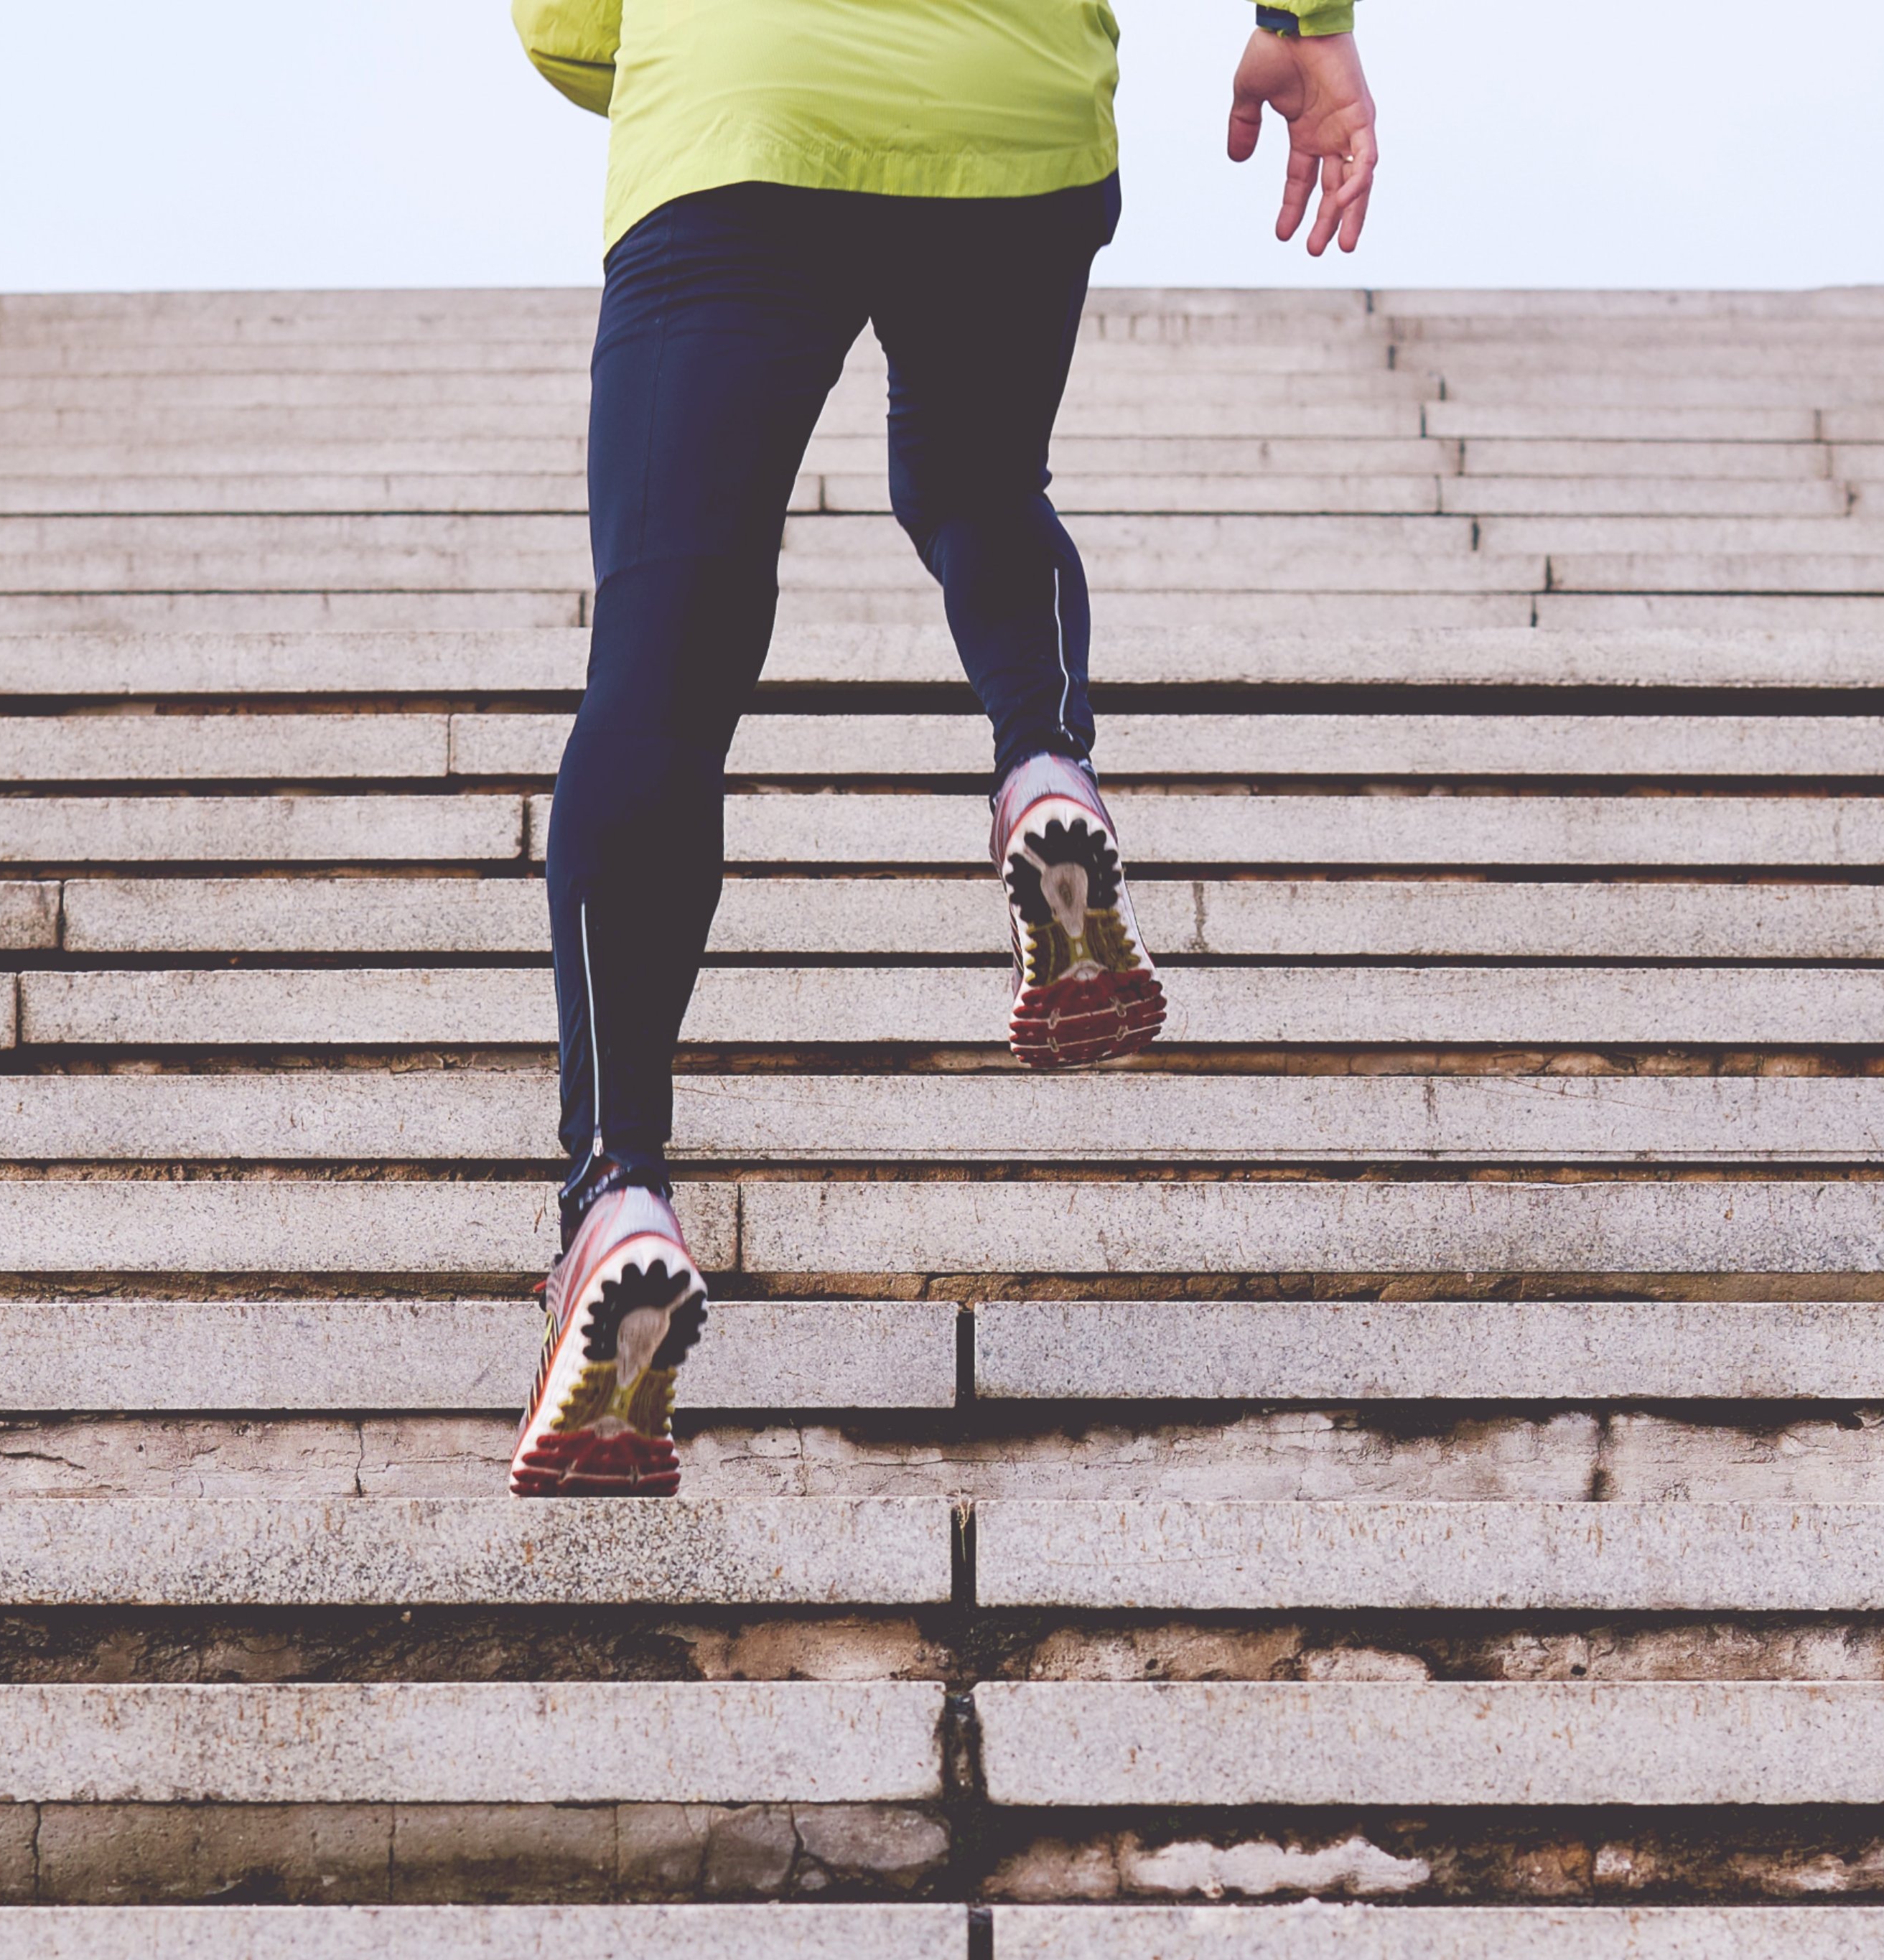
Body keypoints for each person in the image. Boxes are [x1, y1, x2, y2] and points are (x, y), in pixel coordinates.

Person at [507, 0, 1379, 1497]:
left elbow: (563, 26)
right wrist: (1306, 24)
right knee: (980, 479)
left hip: (738, 110)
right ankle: (1045, 765)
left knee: (666, 650)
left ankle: (619, 1193)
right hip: (1010, 116)